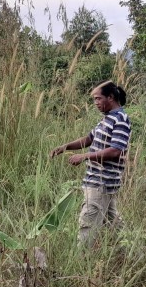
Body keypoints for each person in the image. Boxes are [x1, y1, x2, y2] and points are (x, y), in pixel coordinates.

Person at [50, 81, 131, 247]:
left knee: (87, 223)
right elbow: (89, 139)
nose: (96, 103)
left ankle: (80, 262)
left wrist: (85, 156)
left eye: (98, 98)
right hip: (98, 181)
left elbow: (116, 150)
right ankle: (133, 253)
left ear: (111, 97)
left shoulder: (120, 120)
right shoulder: (107, 120)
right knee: (114, 224)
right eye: (94, 100)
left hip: (102, 181)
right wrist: (65, 147)